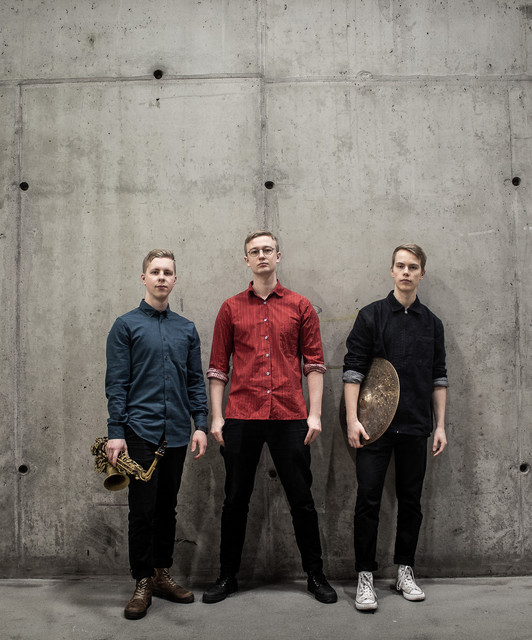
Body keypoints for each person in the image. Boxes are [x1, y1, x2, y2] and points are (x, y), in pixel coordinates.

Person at [202, 230, 337, 605]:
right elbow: (217, 368)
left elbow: (314, 364)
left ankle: (315, 575)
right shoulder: (230, 308)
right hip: (241, 415)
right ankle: (227, 576)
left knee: (302, 500)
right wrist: (217, 417)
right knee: (235, 501)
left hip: (290, 416)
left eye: (267, 250)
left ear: (278, 256)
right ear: (246, 260)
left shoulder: (300, 306)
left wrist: (315, 415)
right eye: (254, 251)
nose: (261, 255)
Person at [342, 243, 448, 612]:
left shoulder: (432, 323)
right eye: (400, 266)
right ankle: (365, 576)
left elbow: (438, 377)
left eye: (413, 267)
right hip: (373, 428)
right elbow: (353, 370)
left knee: (411, 502)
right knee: (368, 501)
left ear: (422, 273)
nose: (406, 272)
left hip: (416, 426)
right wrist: (353, 420)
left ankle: (405, 571)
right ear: (391, 270)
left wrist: (440, 426)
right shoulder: (371, 316)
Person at [105, 249, 208, 620]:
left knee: (167, 508)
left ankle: (162, 574)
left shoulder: (186, 329)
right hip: (139, 433)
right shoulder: (125, 326)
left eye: (167, 272)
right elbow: (117, 383)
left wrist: (200, 424)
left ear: (175, 280)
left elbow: (195, 381)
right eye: (155, 272)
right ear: (144, 278)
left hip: (177, 432)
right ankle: (142, 581)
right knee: (142, 512)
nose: (161, 277)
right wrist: (116, 431)